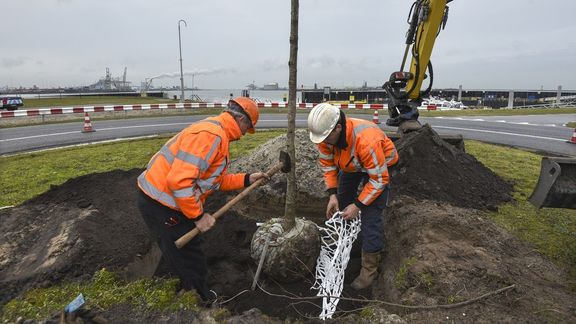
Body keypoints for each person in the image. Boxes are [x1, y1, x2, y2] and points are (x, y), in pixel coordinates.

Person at [137, 97, 268, 302]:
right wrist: (198, 216)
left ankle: (194, 291)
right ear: (241, 120)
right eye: (247, 128)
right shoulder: (211, 136)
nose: (244, 134)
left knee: (188, 251)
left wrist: (247, 179)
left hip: (172, 202)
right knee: (188, 257)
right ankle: (199, 301)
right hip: (161, 203)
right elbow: (178, 182)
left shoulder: (217, 134)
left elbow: (214, 181)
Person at [307, 103, 399, 290]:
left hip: (379, 167)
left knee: (370, 215)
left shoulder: (366, 141)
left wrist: (358, 205)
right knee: (342, 199)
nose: (322, 142)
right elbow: (328, 166)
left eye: (325, 137)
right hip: (353, 162)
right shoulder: (326, 139)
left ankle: (369, 270)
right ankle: (348, 239)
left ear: (338, 128)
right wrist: (332, 195)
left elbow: (379, 180)